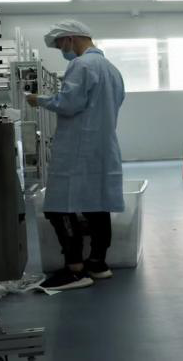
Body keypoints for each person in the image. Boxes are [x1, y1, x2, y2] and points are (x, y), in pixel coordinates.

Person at [26, 20, 125, 290]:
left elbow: (69, 104)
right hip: (103, 146)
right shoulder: (112, 69)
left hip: (77, 147)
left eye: (60, 45)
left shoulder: (81, 65)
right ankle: (98, 264)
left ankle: (75, 269)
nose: (62, 51)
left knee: (58, 207)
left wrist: (40, 100)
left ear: (70, 38)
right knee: (97, 204)